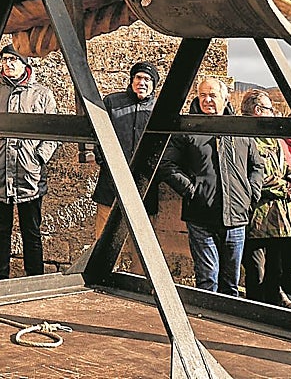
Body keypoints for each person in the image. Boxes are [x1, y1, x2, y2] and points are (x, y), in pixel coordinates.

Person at [158, 77, 263, 295]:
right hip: (201, 216)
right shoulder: (186, 127)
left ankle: (227, 327)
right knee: (207, 282)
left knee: (231, 284)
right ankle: (205, 325)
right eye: (203, 95)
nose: (207, 100)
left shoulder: (240, 129)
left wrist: (251, 194)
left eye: (213, 95)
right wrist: (191, 190)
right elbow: (166, 164)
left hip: (236, 217)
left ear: (225, 98)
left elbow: (257, 165)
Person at [0, 45, 58, 280]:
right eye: (5, 60)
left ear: (25, 64)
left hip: (29, 174)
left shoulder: (42, 95)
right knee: (1, 230)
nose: (8, 64)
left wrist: (39, 158)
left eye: (13, 60)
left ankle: (34, 279)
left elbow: (53, 132)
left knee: (31, 231)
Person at [240, 89, 291, 306]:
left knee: (276, 271)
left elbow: (283, 165)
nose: (274, 113)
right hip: (256, 217)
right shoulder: (245, 138)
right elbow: (256, 177)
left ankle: (275, 313)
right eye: (270, 109)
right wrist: (285, 187)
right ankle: (255, 314)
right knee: (257, 271)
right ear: (258, 111)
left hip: (278, 219)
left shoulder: (273, 138)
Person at [92, 61, 162, 236]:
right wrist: (104, 161)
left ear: (153, 85)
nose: (142, 82)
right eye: (138, 77)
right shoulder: (112, 102)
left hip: (144, 181)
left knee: (143, 238)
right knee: (103, 234)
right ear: (132, 80)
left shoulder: (158, 110)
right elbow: (96, 132)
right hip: (111, 180)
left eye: (147, 79)